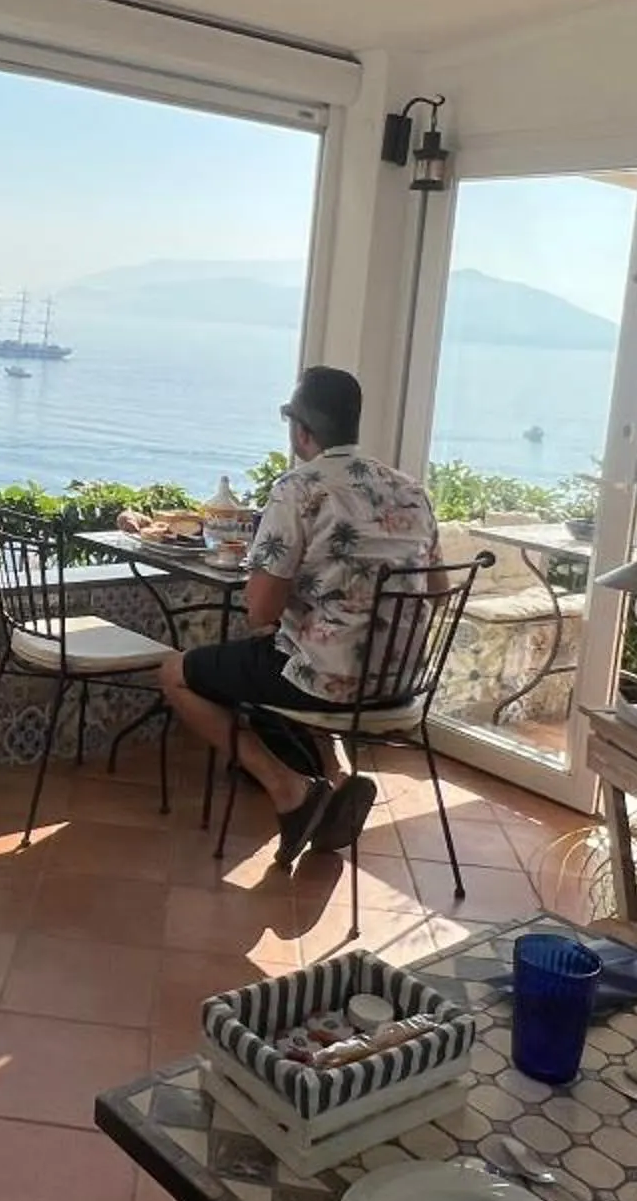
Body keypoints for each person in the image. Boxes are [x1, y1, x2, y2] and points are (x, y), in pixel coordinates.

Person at [159, 365, 441, 865]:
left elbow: (260, 611)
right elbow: (437, 589)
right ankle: (337, 778)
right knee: (302, 649)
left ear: (300, 430)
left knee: (176, 672)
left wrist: (295, 586)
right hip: (399, 682)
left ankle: (288, 788)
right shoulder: (411, 490)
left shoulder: (300, 489)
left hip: (330, 680)